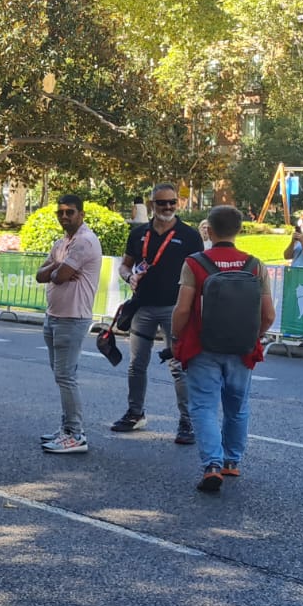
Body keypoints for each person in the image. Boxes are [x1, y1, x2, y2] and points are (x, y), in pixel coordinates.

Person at [173, 205, 275, 494]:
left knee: (203, 406)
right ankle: (232, 460)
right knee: (237, 406)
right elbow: (268, 314)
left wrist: (175, 337)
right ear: (239, 229)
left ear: (208, 230)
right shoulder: (255, 265)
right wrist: (254, 336)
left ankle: (212, 466)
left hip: (204, 346)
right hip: (241, 348)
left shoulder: (195, 263)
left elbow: (182, 310)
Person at [113, 183, 203, 443]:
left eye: (172, 202)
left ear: (178, 203)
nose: (167, 207)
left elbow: (199, 270)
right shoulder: (139, 233)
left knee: (178, 366)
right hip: (143, 306)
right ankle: (135, 413)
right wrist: (128, 276)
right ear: (152, 205)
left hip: (175, 309)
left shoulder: (189, 235)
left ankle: (187, 421)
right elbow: (124, 265)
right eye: (162, 203)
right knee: (136, 364)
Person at [37, 194, 102, 454]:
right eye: (60, 212)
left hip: (72, 318)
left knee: (66, 377)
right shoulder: (62, 242)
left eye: (70, 212)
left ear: (81, 214)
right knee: (61, 375)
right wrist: (57, 267)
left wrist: (57, 270)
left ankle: (75, 434)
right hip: (54, 316)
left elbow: (60, 276)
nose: (64, 216)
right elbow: (42, 275)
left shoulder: (84, 242)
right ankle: (67, 429)